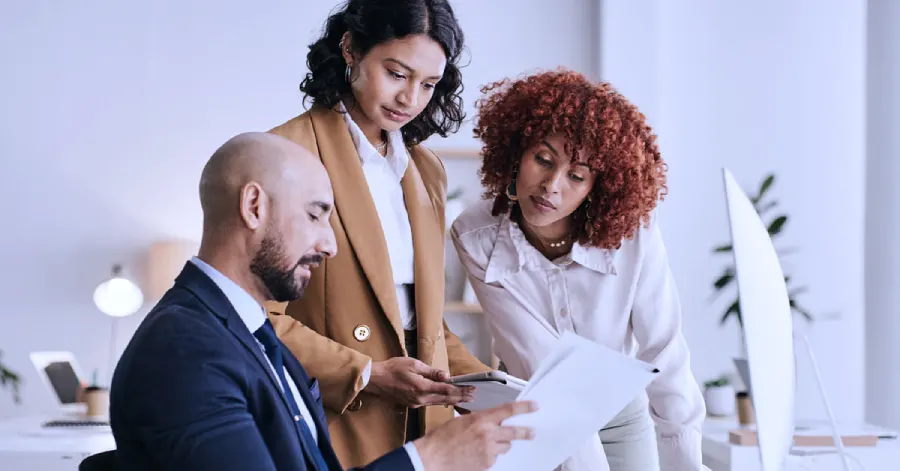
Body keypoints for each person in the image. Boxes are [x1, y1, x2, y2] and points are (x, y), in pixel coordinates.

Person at [108, 132, 536, 471]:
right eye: (316, 215)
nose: (330, 244)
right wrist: (429, 460)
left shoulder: (251, 335)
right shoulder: (186, 351)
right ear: (254, 206)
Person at [264, 0, 491, 467]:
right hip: (332, 422)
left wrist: (489, 385)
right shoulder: (286, 154)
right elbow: (255, 318)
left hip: (424, 429)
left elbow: (421, 324)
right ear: (350, 48)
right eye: (396, 73)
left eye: (428, 84)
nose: (410, 98)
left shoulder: (426, 170)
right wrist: (366, 373)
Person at [449, 70, 706, 471]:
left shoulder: (633, 234)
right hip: (532, 412)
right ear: (517, 151)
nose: (552, 185)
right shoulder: (476, 235)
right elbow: (535, 358)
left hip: (621, 419)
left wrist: (687, 463)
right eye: (543, 160)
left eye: (576, 175)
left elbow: (664, 349)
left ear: (597, 188)